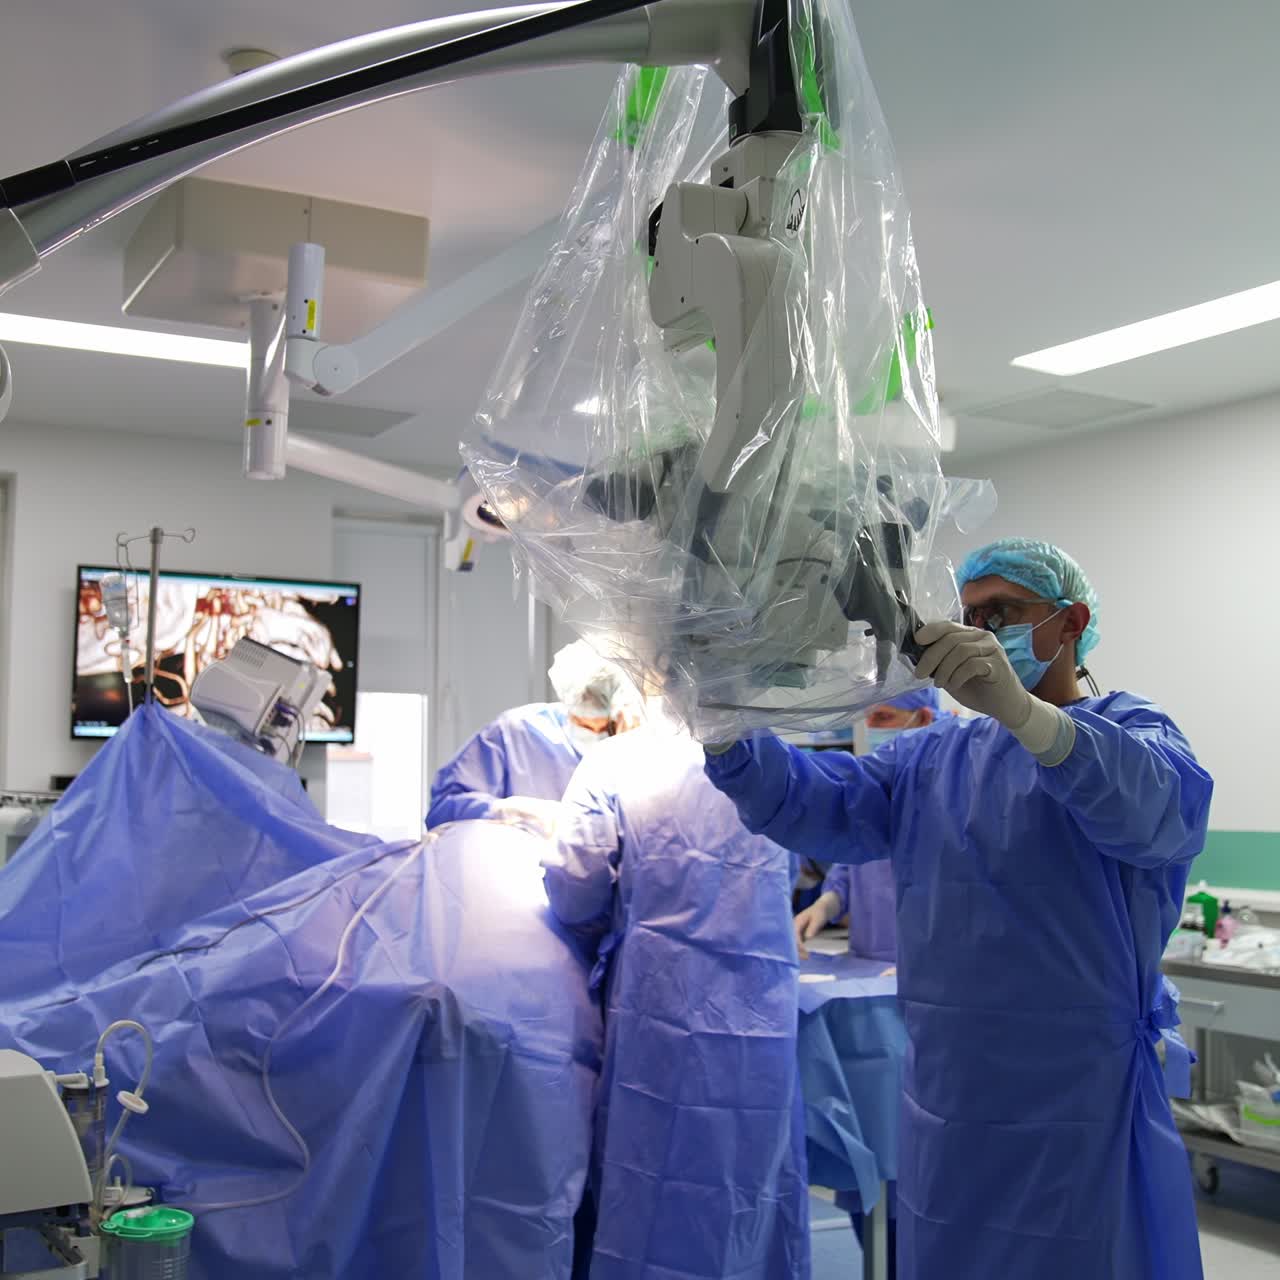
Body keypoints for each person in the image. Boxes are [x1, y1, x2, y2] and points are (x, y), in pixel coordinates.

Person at [705, 537, 1213, 1280]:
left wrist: (1024, 714)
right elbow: (816, 801)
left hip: (1077, 1104)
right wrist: (722, 724)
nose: (979, 630)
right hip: (951, 1103)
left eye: (1003, 613)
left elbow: (1151, 810)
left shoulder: (1136, 733)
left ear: (1070, 624)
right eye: (970, 614)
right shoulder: (934, 759)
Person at [542, 714, 811, 1278]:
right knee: (752, 1191)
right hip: (762, 1025)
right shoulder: (776, 759)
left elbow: (573, 892)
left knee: (651, 1199)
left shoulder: (616, 763)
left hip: (658, 1017)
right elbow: (784, 878)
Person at [793, 687, 942, 964]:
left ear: (923, 719)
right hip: (866, 961)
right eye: (869, 718)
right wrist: (826, 905)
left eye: (884, 717)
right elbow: (853, 868)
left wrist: (932, 967)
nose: (871, 727)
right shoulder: (875, 790)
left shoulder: (951, 796)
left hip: (932, 972)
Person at [426, 639, 642, 830]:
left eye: (605, 727)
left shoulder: (638, 745)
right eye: (583, 723)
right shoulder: (515, 734)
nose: (594, 733)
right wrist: (506, 811)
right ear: (568, 703)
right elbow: (441, 811)